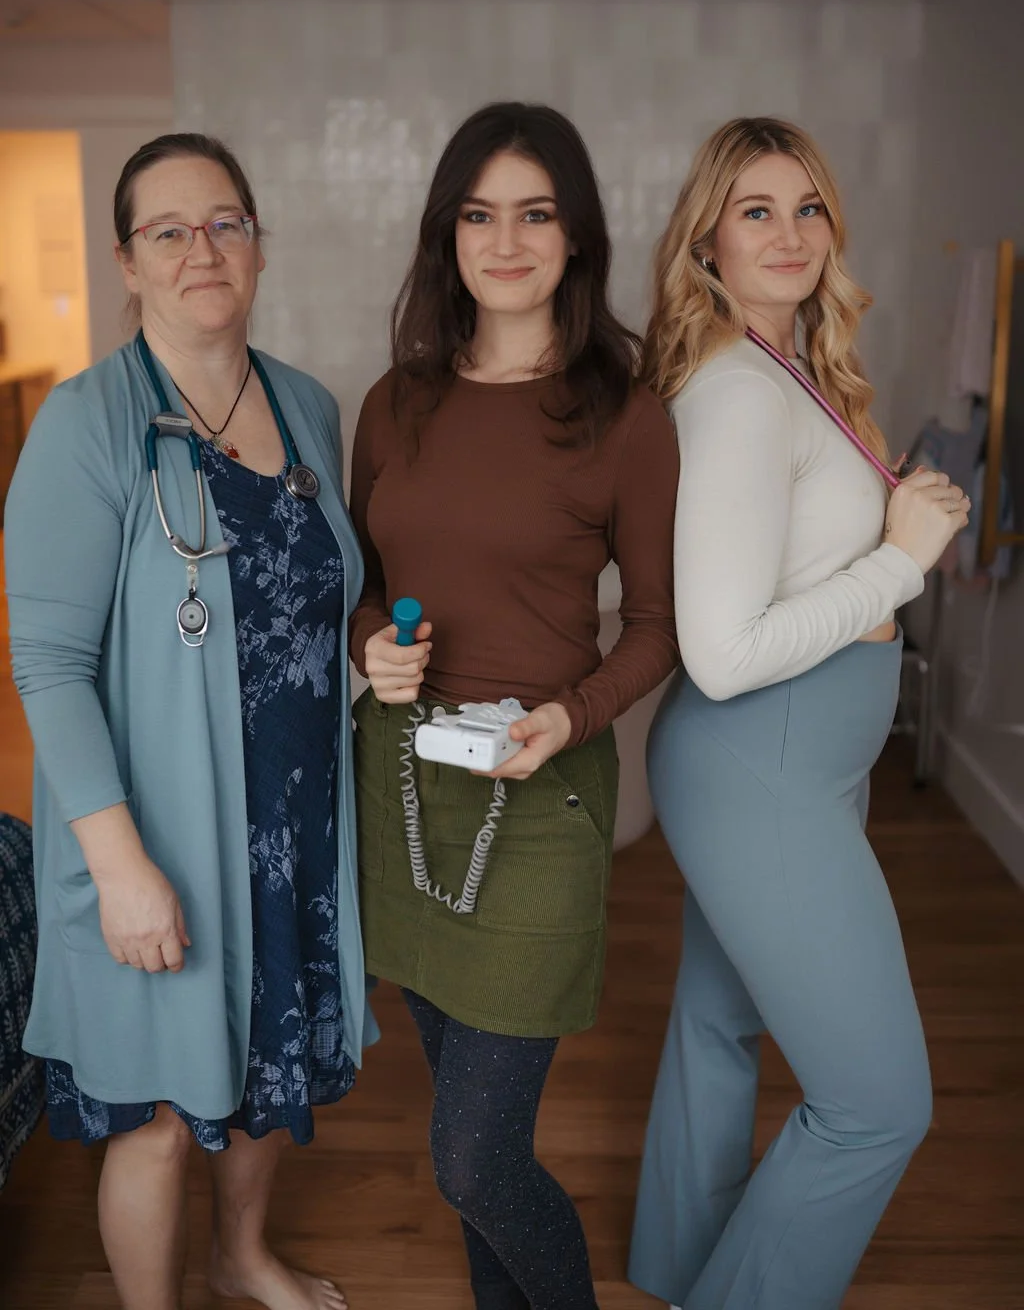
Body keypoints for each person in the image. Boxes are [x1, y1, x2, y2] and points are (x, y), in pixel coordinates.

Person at [4, 132, 368, 1310]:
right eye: (169, 230)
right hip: (158, 827)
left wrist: (382, 656)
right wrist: (120, 868)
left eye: (225, 223)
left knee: (271, 1070)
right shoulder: (86, 423)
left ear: (258, 245)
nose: (201, 249)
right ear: (128, 261)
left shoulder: (308, 405)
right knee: (157, 1114)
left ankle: (242, 1256)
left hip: (296, 816)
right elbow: (47, 663)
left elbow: (315, 603)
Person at [627, 116, 971, 1310]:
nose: (788, 233)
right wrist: (902, 563)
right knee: (878, 1107)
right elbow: (721, 657)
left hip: (780, 772)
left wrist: (883, 529)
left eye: (807, 207)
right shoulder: (737, 395)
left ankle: (677, 1273)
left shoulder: (787, 374)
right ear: (706, 242)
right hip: (757, 769)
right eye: (755, 210)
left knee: (717, 1030)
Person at [349, 101, 679, 1310]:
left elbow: (655, 625)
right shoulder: (398, 403)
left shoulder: (623, 414)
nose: (506, 240)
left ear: (576, 236)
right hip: (401, 785)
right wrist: (370, 647)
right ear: (447, 235)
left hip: (538, 792)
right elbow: (367, 594)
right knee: (468, 1153)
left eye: (535, 212)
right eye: (478, 213)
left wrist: (570, 719)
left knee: (472, 1154)